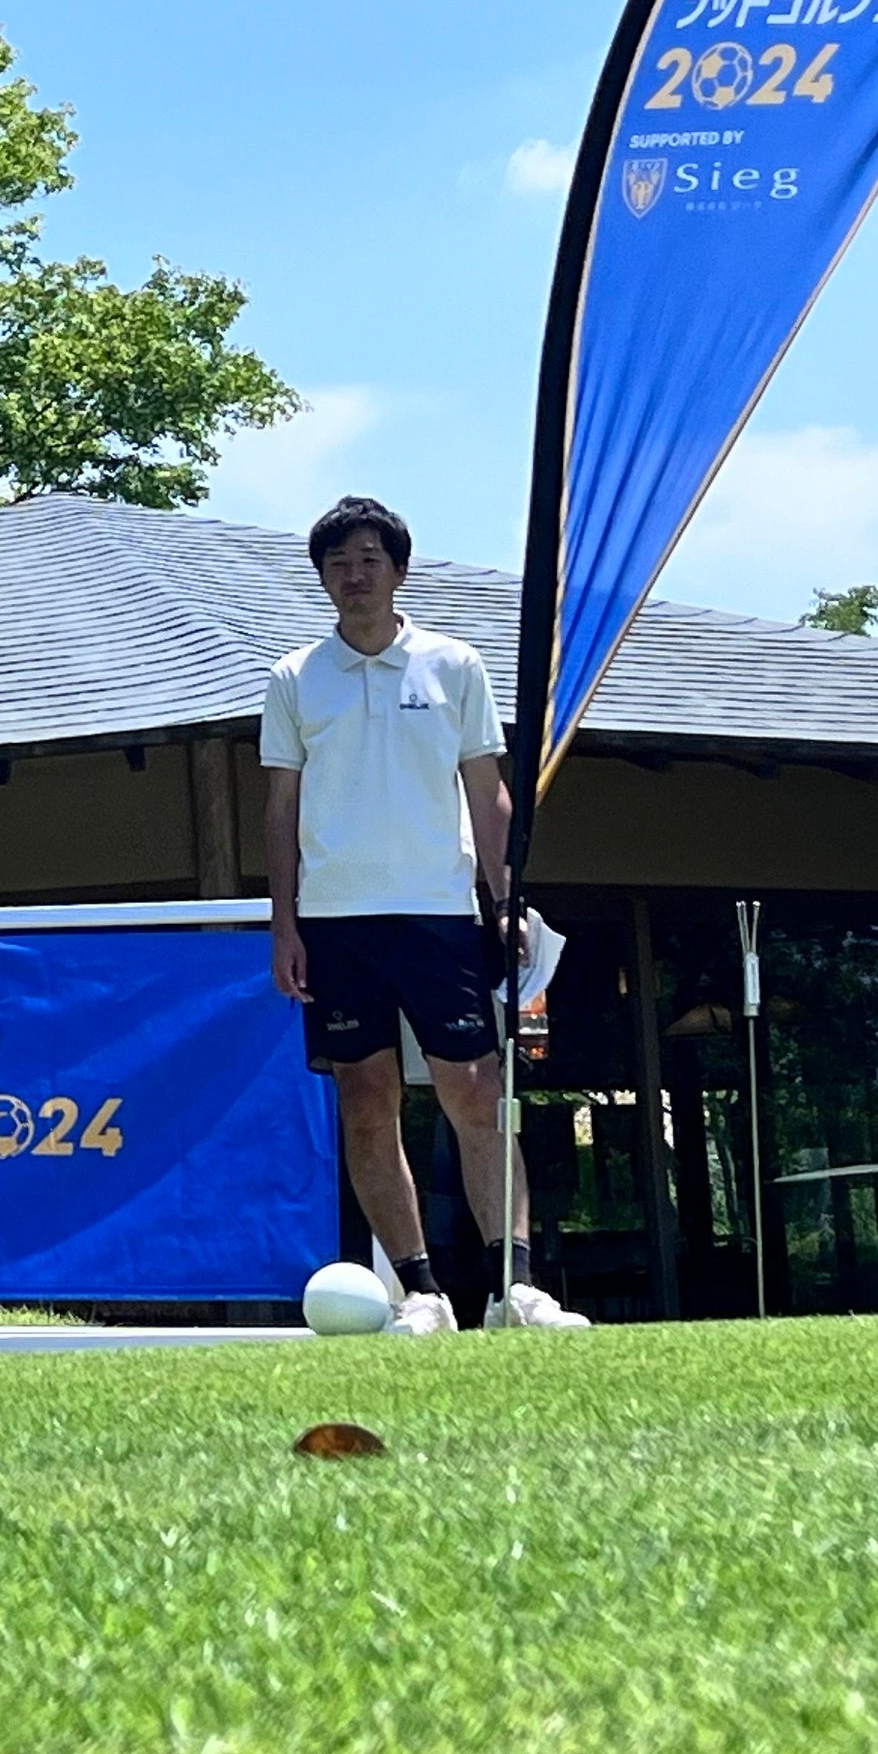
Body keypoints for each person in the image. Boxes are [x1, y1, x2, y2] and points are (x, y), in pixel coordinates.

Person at [263, 496, 589, 1336]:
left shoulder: (455, 664)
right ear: (322, 578)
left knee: (477, 1093)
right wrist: (285, 924)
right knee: (367, 1101)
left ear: (398, 569)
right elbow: (281, 808)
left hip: (440, 912)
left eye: (369, 559)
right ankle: (421, 1293)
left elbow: (488, 792)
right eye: (339, 563)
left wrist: (506, 902)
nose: (355, 575)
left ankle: (515, 1288)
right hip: (336, 922)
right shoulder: (295, 677)